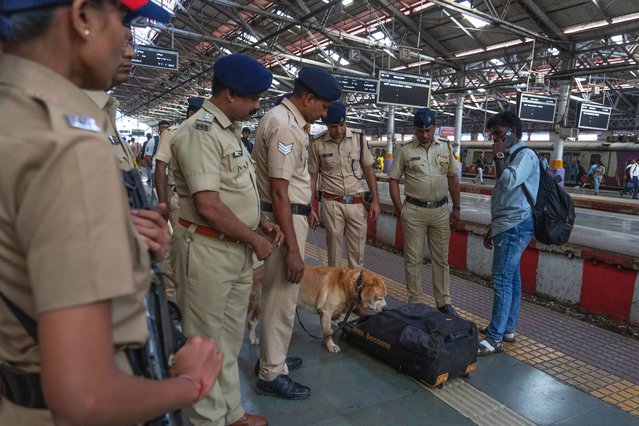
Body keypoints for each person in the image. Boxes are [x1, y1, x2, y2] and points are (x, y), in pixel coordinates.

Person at [0, 1, 223, 425]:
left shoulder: (15, 118)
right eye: (123, 20)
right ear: (82, 16)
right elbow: (85, 399)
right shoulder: (67, 146)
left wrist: (122, 240)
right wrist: (190, 383)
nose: (129, 43)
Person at [171, 54, 284, 426]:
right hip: (207, 250)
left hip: (233, 250)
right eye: (252, 99)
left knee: (229, 342)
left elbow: (234, 193)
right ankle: (207, 420)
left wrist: (260, 222)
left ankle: (231, 413)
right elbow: (207, 204)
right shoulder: (198, 132)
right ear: (231, 95)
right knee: (203, 343)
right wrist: (255, 237)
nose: (256, 107)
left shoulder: (229, 132)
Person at [253, 66, 341, 400]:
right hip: (284, 221)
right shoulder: (285, 128)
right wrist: (292, 249)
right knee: (281, 296)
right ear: (308, 98)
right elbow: (279, 193)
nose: (325, 113)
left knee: (279, 296)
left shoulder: (286, 121)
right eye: (323, 106)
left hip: (289, 217)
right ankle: (271, 373)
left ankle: (272, 359)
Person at [479, 111, 540, 356]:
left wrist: (499, 156)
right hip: (506, 224)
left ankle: (494, 338)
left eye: (498, 133)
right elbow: (504, 197)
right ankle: (508, 329)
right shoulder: (514, 155)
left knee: (502, 280)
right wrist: (492, 227)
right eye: (492, 135)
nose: (494, 139)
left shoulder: (525, 156)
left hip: (516, 225)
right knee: (512, 278)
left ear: (512, 132)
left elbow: (507, 183)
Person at [309, 101, 381, 270]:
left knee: (357, 255)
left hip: (357, 204)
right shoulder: (317, 143)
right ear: (327, 125)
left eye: (342, 125)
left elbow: (369, 171)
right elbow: (312, 176)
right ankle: (336, 294)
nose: (339, 130)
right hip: (331, 202)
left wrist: (376, 201)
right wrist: (309, 206)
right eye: (334, 126)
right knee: (333, 254)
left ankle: (354, 292)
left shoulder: (359, 139)